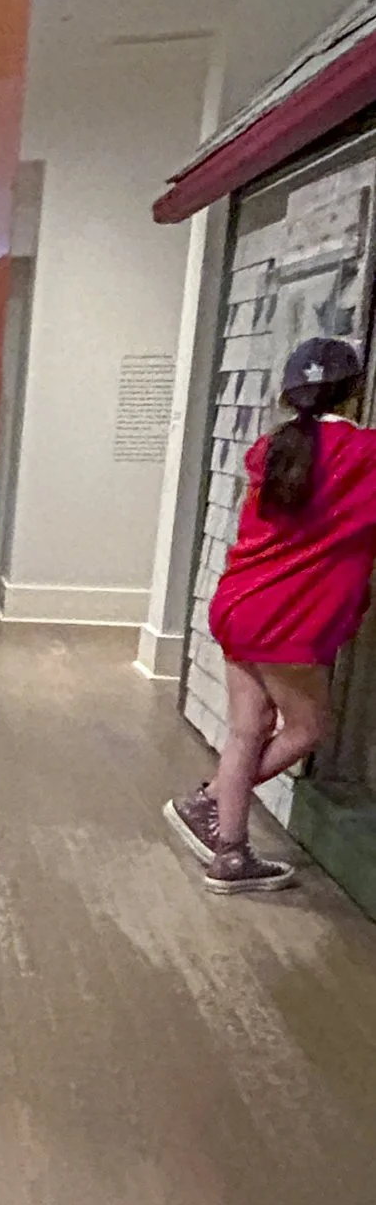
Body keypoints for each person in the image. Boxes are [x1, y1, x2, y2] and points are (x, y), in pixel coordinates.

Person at [167, 335, 376, 893]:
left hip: (239, 604)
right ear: (356, 393)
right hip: (289, 620)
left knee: (248, 730)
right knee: (307, 728)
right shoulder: (365, 454)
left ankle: (230, 851)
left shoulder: (273, 449)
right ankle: (212, 804)